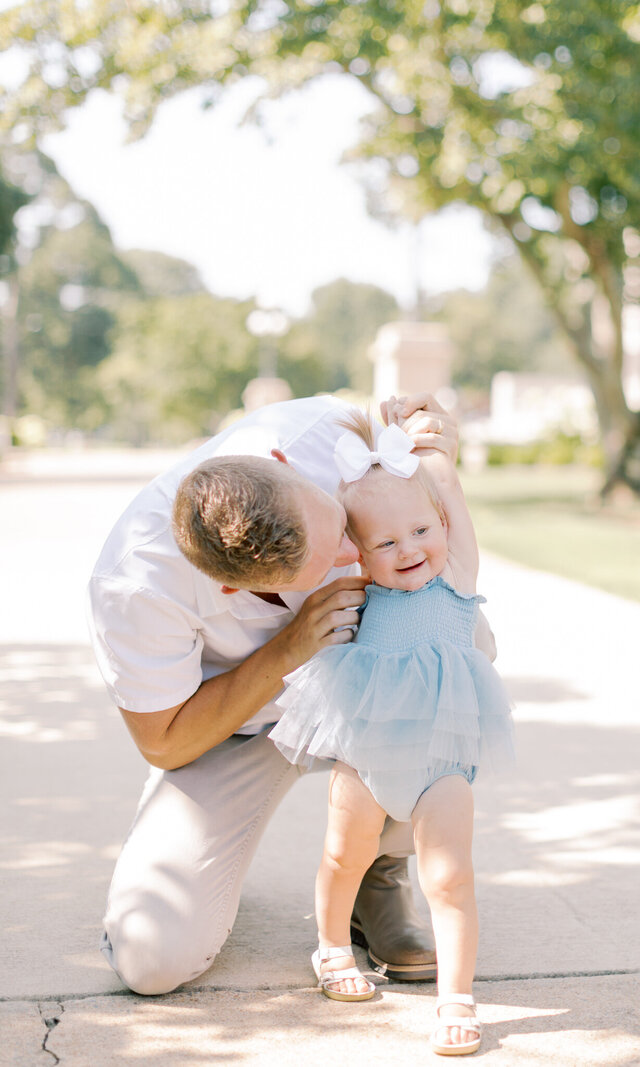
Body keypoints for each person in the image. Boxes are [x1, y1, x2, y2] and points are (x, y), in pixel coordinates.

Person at [87, 393, 461, 996]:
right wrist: (289, 648)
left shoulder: (323, 431)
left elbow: (419, 450)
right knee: (151, 961)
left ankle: (378, 866)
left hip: (367, 689)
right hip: (238, 729)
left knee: (466, 647)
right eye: (327, 562)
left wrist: (437, 439)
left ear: (286, 462)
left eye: (339, 528)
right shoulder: (134, 585)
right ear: (232, 584)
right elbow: (163, 740)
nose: (353, 554)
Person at [269, 407, 515, 1056]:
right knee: (343, 853)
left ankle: (456, 997)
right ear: (358, 550)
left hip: (441, 765)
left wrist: (434, 453)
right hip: (366, 756)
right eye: (385, 542)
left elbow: (447, 495)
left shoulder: (456, 578)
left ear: (442, 526)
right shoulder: (360, 589)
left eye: (421, 530)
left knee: (449, 876)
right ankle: (330, 947)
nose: (408, 549)